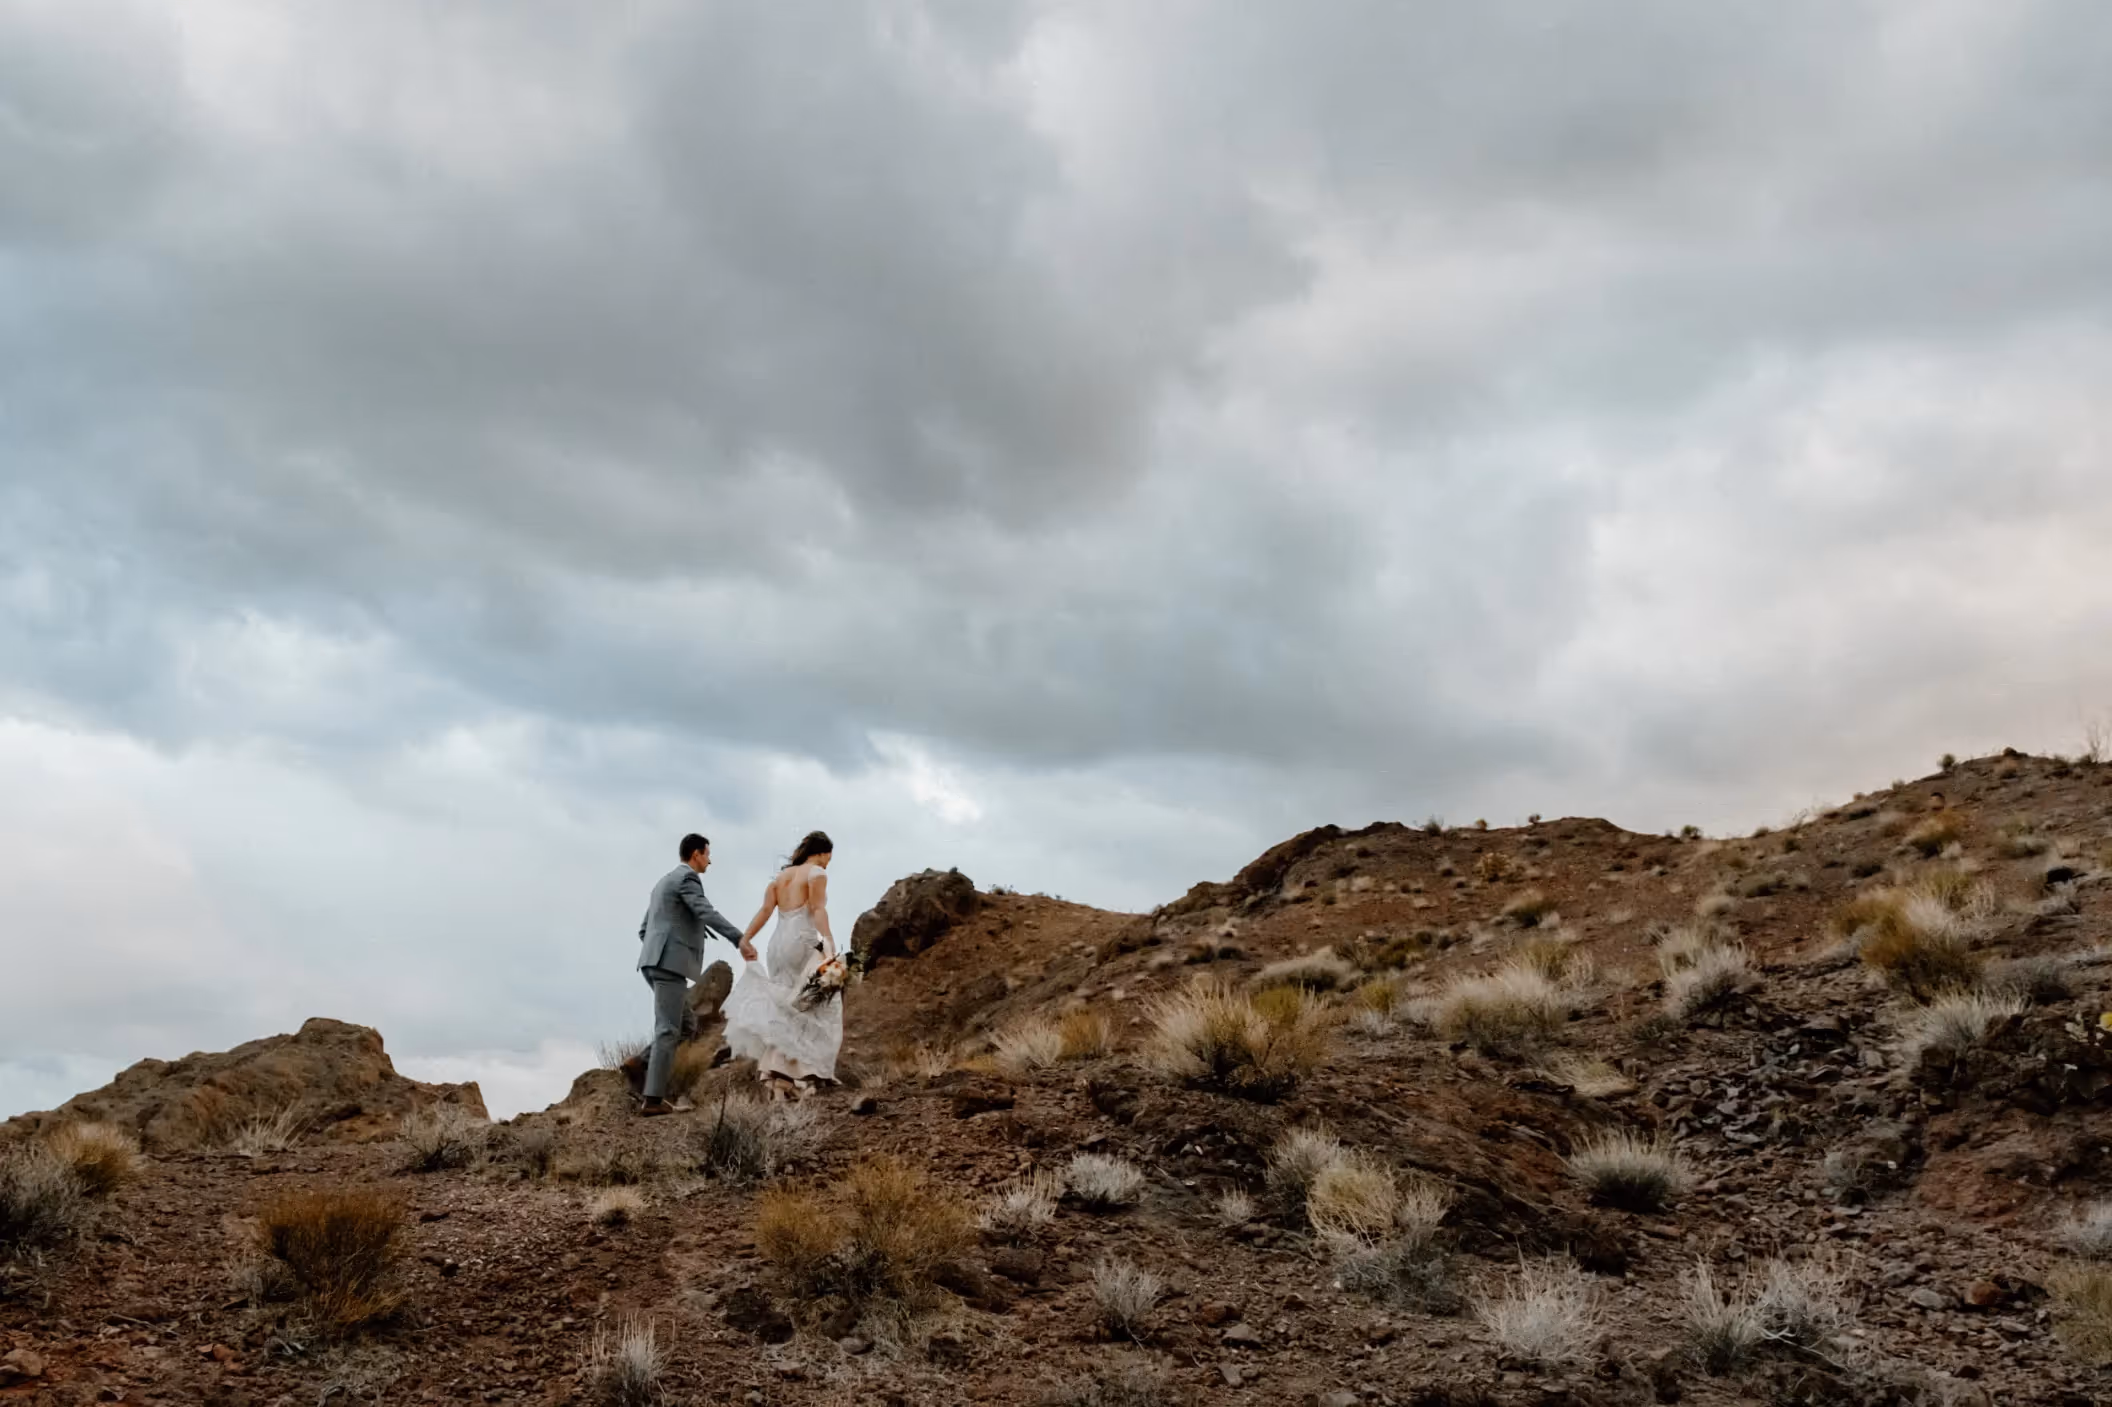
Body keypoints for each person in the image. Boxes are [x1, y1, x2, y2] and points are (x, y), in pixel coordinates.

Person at [632, 833, 747, 1117]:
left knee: (686, 1024)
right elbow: (705, 911)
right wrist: (738, 938)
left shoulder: (663, 882)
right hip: (669, 965)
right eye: (707, 854)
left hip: (652, 961)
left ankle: (640, 1063)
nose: (710, 860)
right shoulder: (688, 880)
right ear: (696, 854)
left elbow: (643, 929)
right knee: (668, 1029)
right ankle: (652, 1099)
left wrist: (657, 953)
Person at [722, 830, 842, 1100]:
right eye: (828, 859)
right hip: (802, 940)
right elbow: (817, 910)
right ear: (821, 853)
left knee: (787, 1008)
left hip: (776, 946)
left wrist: (745, 939)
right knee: (818, 1003)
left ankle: (779, 1078)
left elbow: (765, 912)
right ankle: (807, 1076)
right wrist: (829, 943)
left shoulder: (781, 878)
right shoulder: (816, 874)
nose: (827, 864)